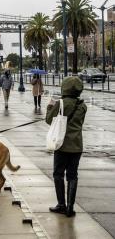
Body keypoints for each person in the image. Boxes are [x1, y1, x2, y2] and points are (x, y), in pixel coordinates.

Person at [46, 76, 87, 217]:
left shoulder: (61, 103)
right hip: (76, 145)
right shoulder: (82, 105)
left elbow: (48, 120)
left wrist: (50, 106)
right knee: (72, 176)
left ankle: (61, 204)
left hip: (61, 144)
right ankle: (70, 207)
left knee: (58, 174)